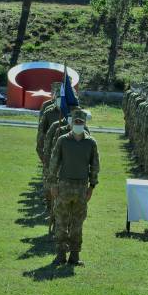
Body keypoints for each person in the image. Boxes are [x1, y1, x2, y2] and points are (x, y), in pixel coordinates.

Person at [48, 109, 100, 266]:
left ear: (85, 124)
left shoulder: (91, 142)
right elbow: (54, 162)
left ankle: (75, 256)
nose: (78, 124)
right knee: (61, 222)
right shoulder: (62, 140)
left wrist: (92, 186)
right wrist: (52, 184)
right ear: (71, 123)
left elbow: (95, 165)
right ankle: (60, 254)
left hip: (82, 188)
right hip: (63, 187)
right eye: (76, 122)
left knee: (78, 223)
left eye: (81, 122)